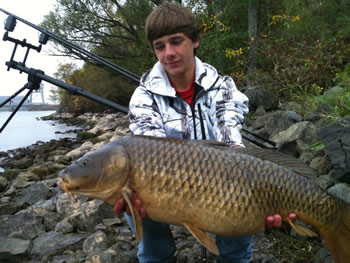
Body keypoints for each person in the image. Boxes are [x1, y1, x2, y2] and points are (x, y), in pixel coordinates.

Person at [114, 3, 296, 263]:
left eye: (176, 42)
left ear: (195, 40)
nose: (169, 53)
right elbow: (149, 150)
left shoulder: (222, 88)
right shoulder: (143, 97)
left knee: (239, 190)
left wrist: (260, 197)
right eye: (160, 46)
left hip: (220, 181)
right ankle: (156, 256)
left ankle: (234, 256)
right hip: (166, 184)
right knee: (134, 195)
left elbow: (229, 139)